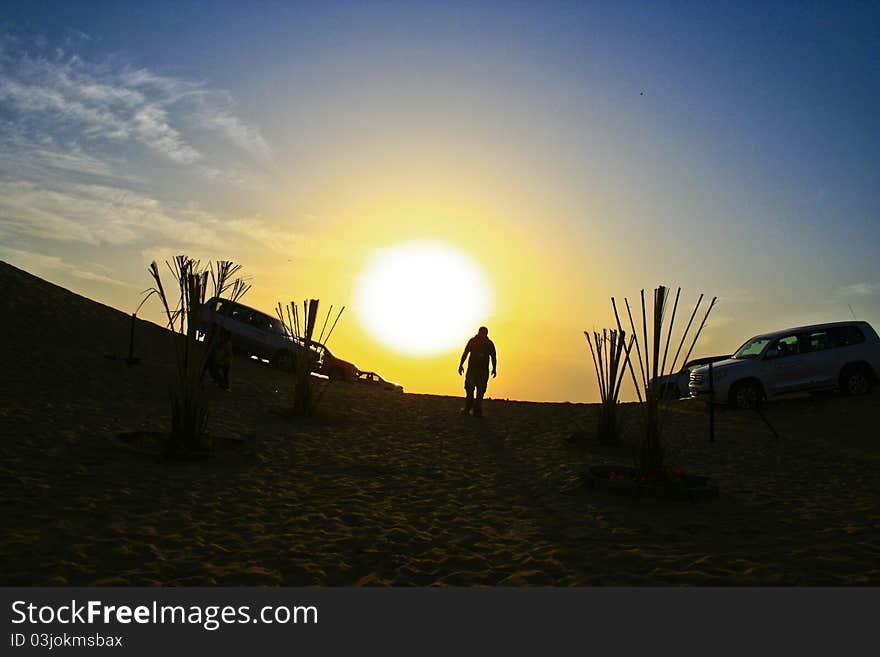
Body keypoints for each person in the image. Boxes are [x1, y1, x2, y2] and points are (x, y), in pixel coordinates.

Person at [458, 326, 497, 417]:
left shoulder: (489, 344)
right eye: (482, 333)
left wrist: (494, 368)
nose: (483, 335)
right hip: (472, 369)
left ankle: (477, 410)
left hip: (483, 370)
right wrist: (461, 365)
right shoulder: (473, 341)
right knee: (469, 389)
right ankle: (468, 408)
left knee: (480, 391)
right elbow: (466, 352)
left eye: (484, 333)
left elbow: (493, 357)